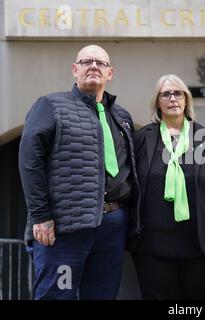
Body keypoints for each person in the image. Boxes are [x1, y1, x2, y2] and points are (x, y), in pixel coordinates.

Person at [18, 45, 139, 300]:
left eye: (100, 63)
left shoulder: (121, 116)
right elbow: (30, 162)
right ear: (75, 69)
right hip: (64, 228)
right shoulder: (50, 105)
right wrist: (41, 215)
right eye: (86, 61)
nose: (93, 66)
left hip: (113, 226)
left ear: (110, 73)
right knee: (57, 296)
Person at [132, 74, 205, 300]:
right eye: (165, 94)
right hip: (152, 246)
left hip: (198, 244)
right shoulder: (142, 138)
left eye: (178, 93)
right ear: (157, 102)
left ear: (187, 100)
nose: (172, 99)